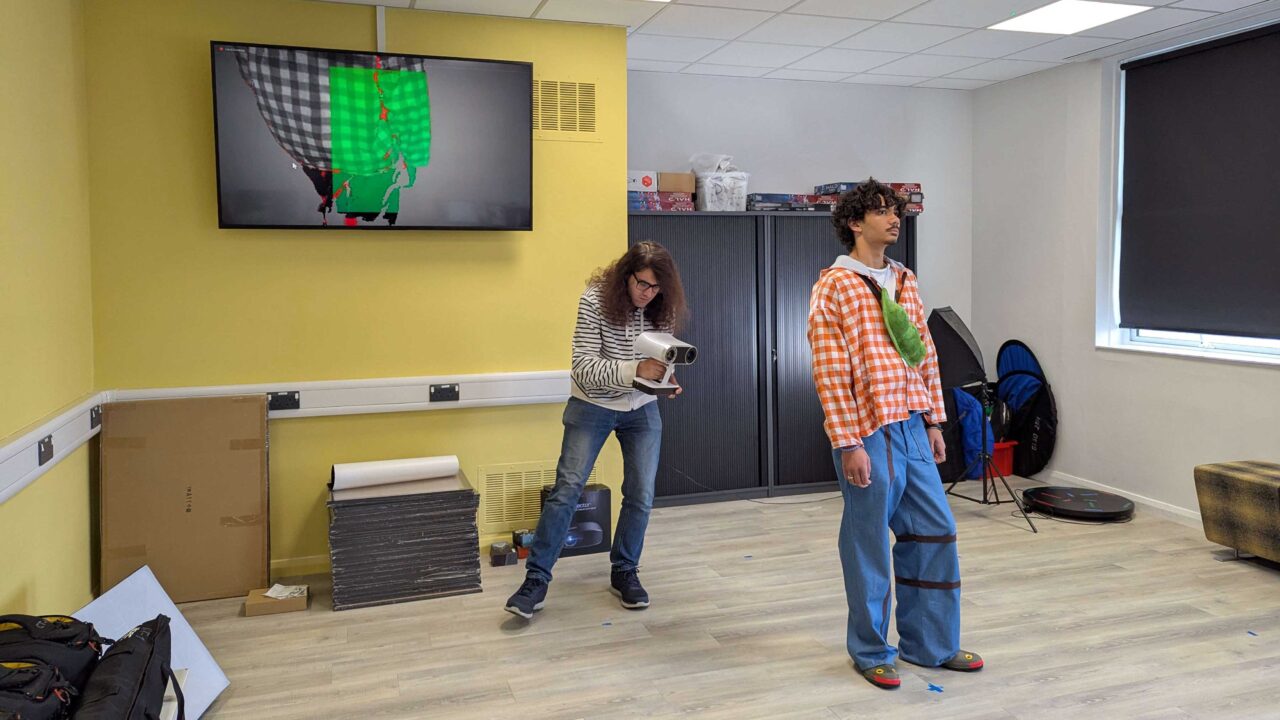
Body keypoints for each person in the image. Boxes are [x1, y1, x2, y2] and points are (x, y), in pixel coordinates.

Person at [808, 177, 983, 689]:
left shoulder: (905, 280)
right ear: (855, 223)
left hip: (911, 425)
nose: (893, 218)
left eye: (895, 210)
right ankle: (870, 650)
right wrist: (847, 443)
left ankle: (932, 645)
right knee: (867, 544)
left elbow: (924, 353)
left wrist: (932, 420)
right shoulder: (834, 287)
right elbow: (829, 370)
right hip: (867, 429)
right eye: (881, 211)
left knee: (934, 531)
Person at [505, 241, 688, 619]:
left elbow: (661, 356)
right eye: (641, 284)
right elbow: (584, 368)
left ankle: (625, 571)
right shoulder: (593, 301)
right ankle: (535, 580)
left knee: (641, 493)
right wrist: (635, 371)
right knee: (567, 490)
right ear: (626, 276)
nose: (647, 294)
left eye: (655, 288)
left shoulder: (660, 305)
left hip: (642, 408)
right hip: (592, 404)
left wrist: (666, 380)